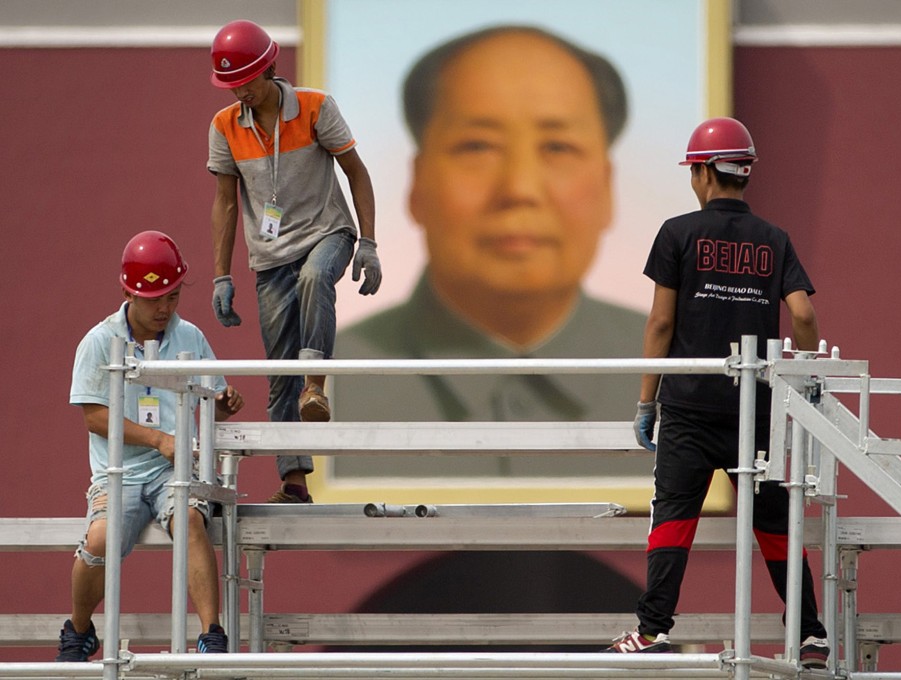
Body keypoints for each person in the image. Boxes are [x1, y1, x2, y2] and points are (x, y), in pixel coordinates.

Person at [332, 25, 645, 432]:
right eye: (477, 146)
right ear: (418, 183)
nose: (520, 189)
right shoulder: (337, 380)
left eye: (558, 147)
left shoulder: (677, 374)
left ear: (607, 187)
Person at [605, 118, 830, 669]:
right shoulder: (775, 239)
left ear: (704, 171)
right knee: (776, 525)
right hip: (757, 410)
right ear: (744, 172)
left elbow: (660, 323)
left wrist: (645, 402)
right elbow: (802, 312)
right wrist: (804, 379)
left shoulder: (676, 233)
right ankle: (810, 635)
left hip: (688, 408)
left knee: (674, 519)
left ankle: (652, 630)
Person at [206, 19, 382, 503]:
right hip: (270, 255)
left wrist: (367, 242)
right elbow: (224, 202)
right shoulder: (224, 127)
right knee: (278, 368)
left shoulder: (316, 107)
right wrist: (221, 274)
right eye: (230, 83)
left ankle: (317, 386)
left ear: (269, 68)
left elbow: (356, 173)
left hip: (329, 233)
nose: (239, 90)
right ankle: (294, 480)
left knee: (315, 277)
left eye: (245, 79)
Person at [57, 231, 245, 661]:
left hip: (174, 470)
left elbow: (214, 395)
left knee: (193, 524)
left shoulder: (191, 337)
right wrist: (159, 439)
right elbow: (94, 416)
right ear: (128, 292)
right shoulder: (99, 342)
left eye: (173, 297)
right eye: (155, 298)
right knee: (100, 539)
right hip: (118, 471)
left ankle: (211, 636)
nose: (165, 308)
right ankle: (79, 631)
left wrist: (224, 400)